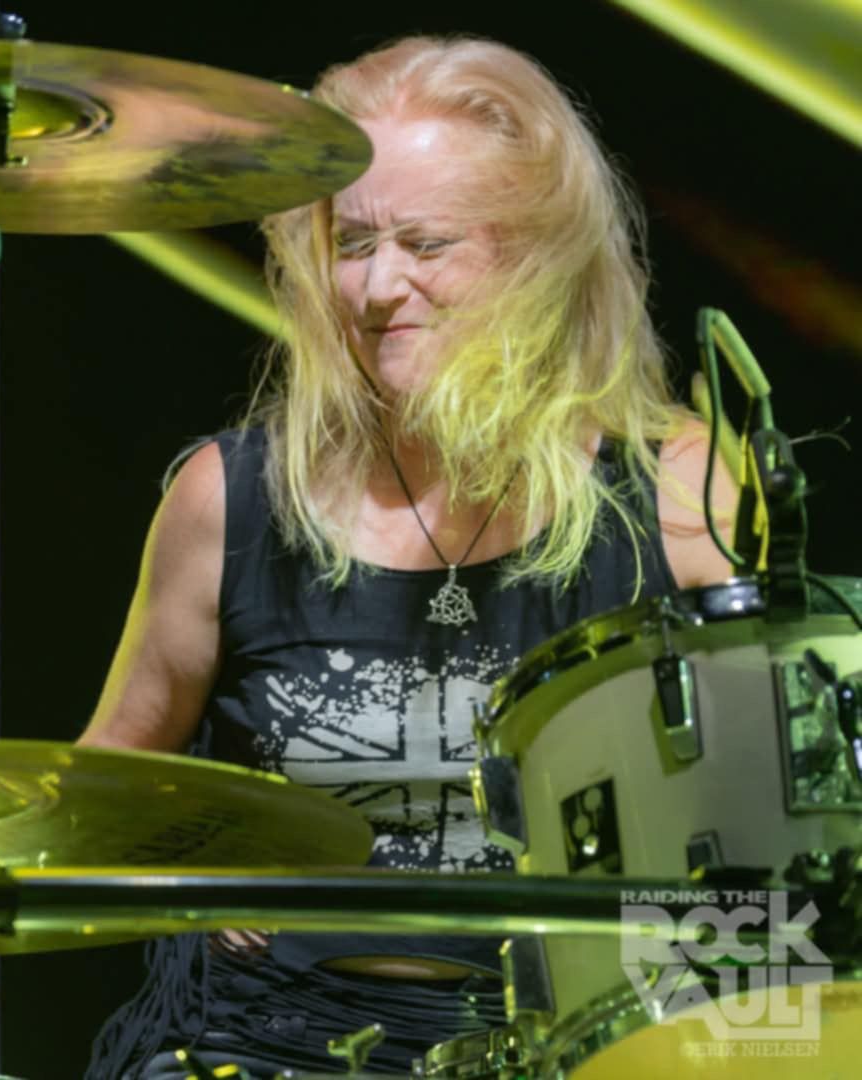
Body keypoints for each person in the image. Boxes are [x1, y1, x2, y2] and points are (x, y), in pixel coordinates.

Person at [80, 33, 735, 1080]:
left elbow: (771, 832)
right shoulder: (229, 497)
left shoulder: (676, 492)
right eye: (351, 244)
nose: (379, 286)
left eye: (426, 244)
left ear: (538, 256)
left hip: (576, 1047)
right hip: (264, 1044)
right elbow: (100, 798)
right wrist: (194, 856)